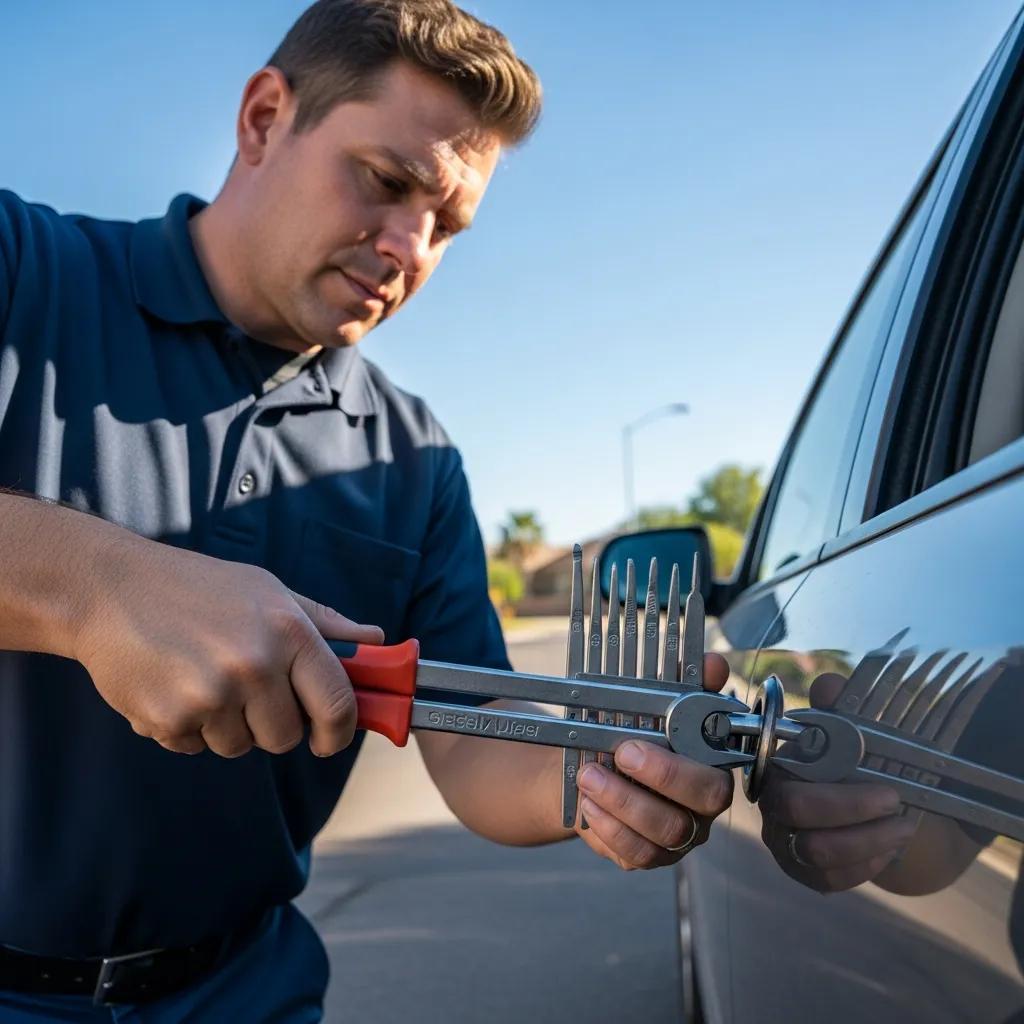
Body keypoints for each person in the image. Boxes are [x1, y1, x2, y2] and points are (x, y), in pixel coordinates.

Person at [0, 1, 732, 1019]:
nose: (409, 247)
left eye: (447, 225)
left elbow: (474, 735)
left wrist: (597, 776)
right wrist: (96, 587)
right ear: (264, 118)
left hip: (245, 990)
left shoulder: (413, 456)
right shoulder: (26, 272)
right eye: (386, 182)